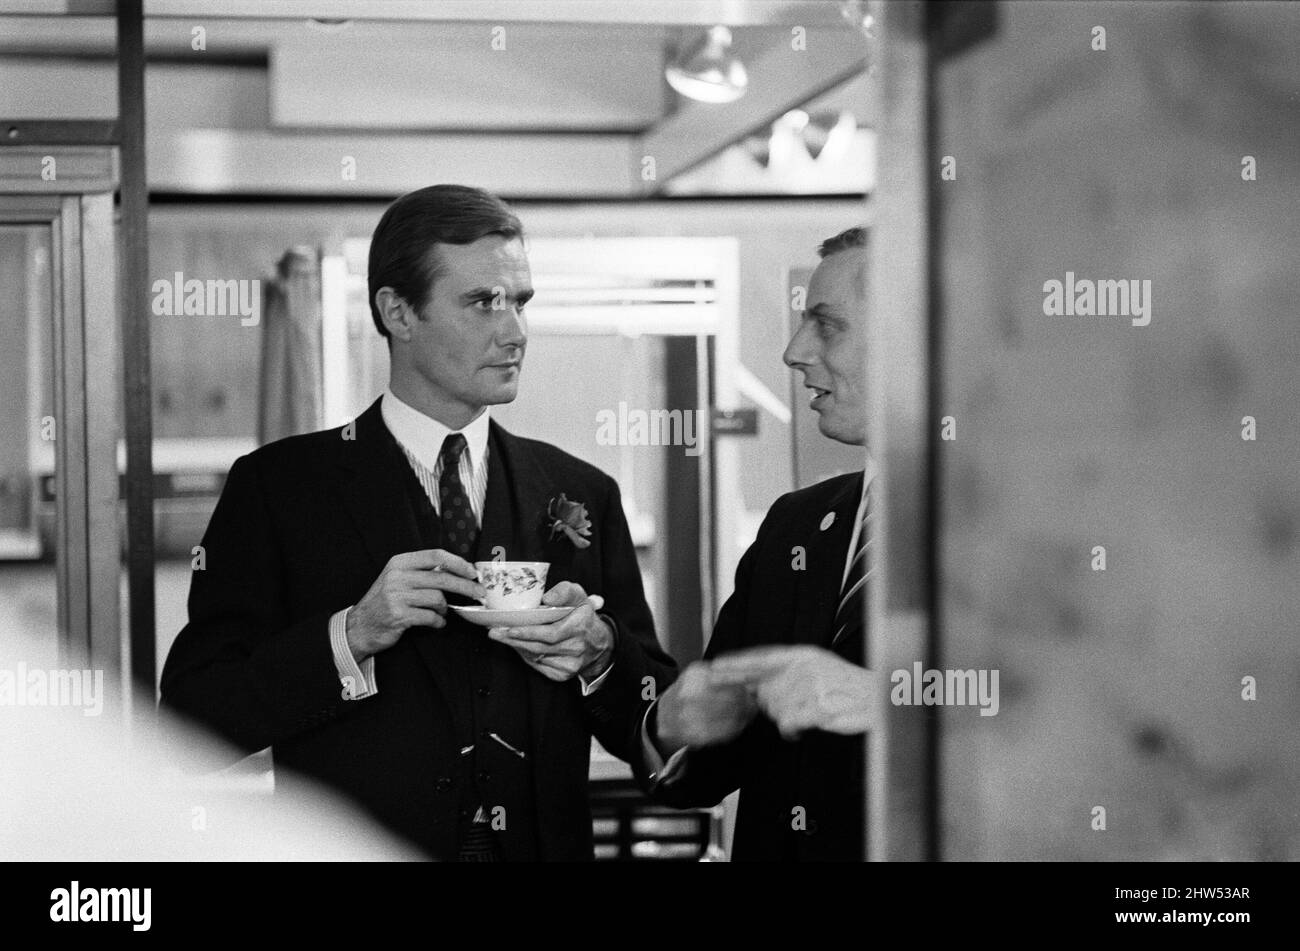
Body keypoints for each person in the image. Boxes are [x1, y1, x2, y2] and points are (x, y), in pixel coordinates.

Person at [161, 184, 676, 861]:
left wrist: (600, 654)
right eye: (483, 301)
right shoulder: (278, 489)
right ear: (397, 312)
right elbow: (191, 722)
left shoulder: (583, 493)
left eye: (520, 301)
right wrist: (349, 636)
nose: (515, 330)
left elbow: (655, 723)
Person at [635, 225, 879, 861]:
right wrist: (669, 728)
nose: (794, 352)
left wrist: (883, 704)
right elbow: (712, 761)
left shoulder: (1031, 537)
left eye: (826, 325)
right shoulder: (794, 526)